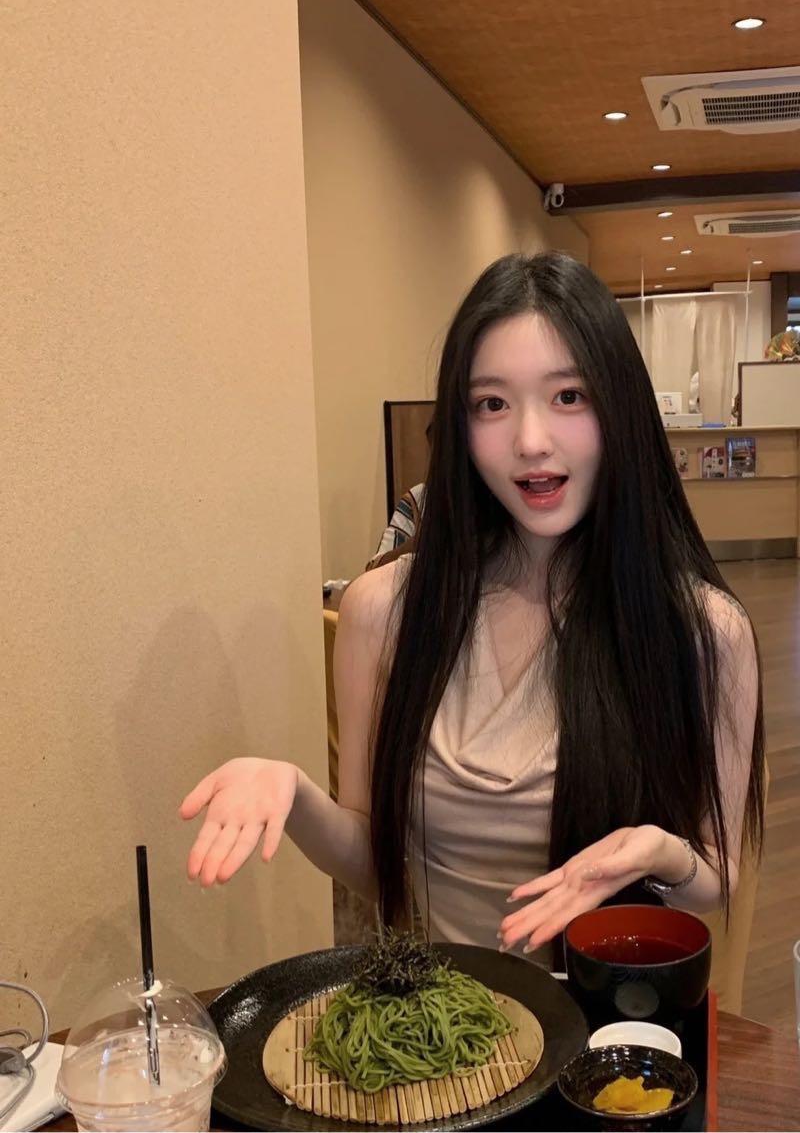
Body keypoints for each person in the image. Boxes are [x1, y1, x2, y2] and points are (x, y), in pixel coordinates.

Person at [180, 252, 764, 962]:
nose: (530, 441)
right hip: (445, 1019)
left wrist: (660, 853)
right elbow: (375, 865)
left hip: (604, 1015)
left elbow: (716, 877)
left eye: (569, 396)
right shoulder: (383, 610)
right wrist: (297, 793)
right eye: (492, 404)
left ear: (621, 407)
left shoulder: (703, 630)